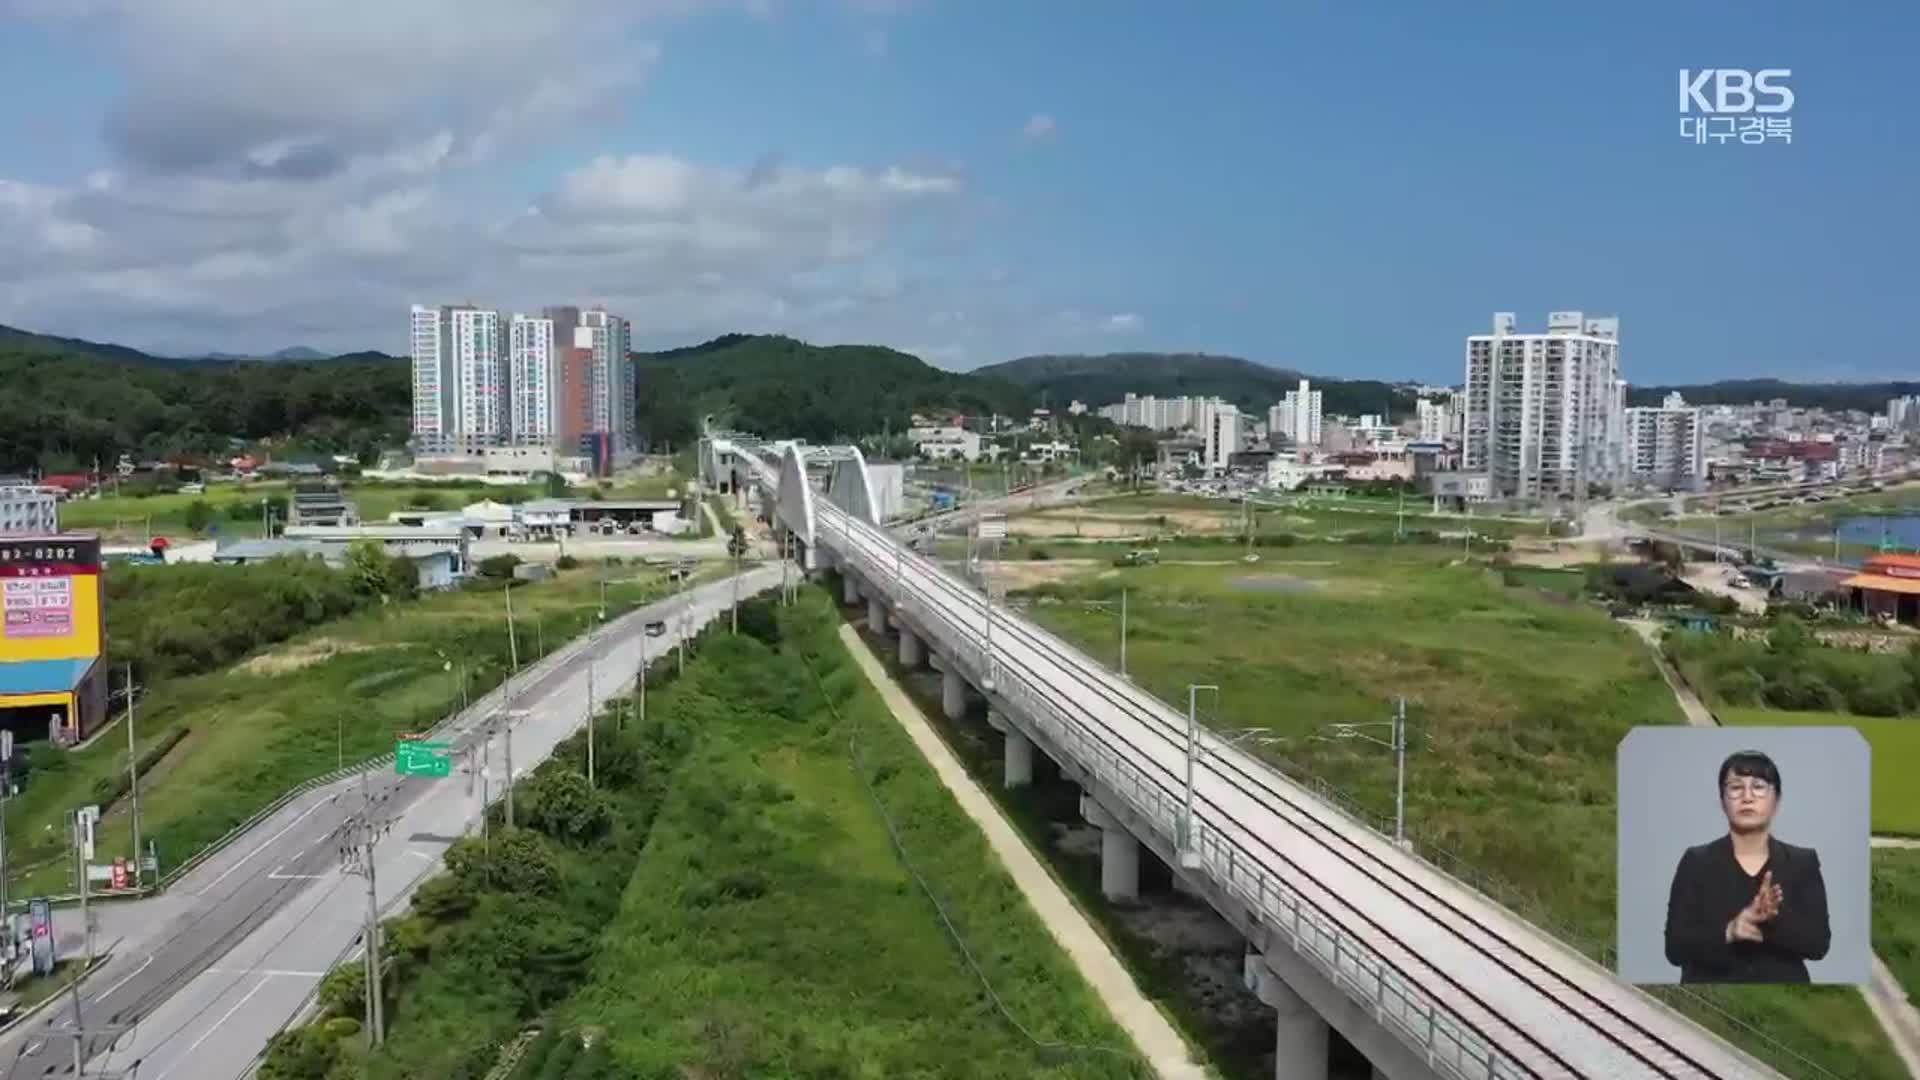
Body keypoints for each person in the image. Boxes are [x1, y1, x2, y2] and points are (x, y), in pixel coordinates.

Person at [1663, 749, 1830, 983]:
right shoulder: (1697, 861)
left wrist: (1771, 919)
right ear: (1722, 800)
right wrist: (1730, 931)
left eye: (1759, 787)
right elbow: (1675, 948)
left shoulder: (1803, 863)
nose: (1747, 797)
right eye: (1735, 787)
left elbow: (1818, 945)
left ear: (1777, 801)